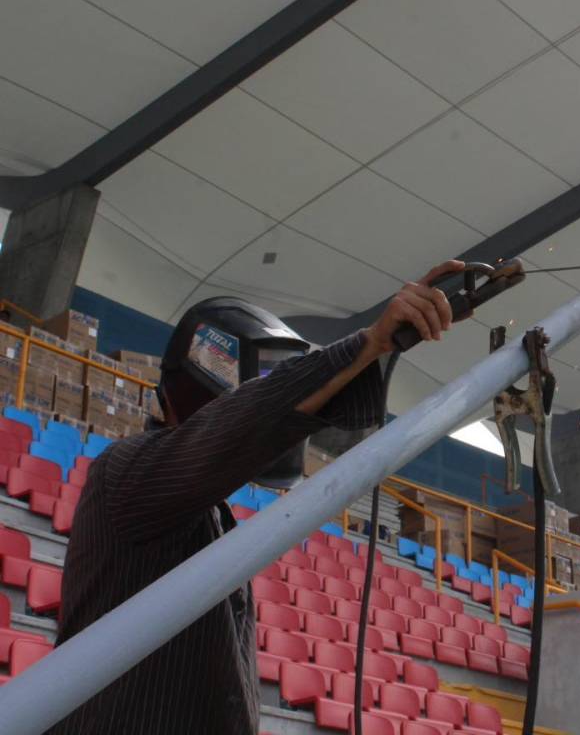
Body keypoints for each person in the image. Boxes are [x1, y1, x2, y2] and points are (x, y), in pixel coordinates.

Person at [46, 261, 463, 735]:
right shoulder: (124, 474)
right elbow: (239, 423)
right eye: (262, 380)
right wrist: (367, 345)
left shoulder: (210, 513)